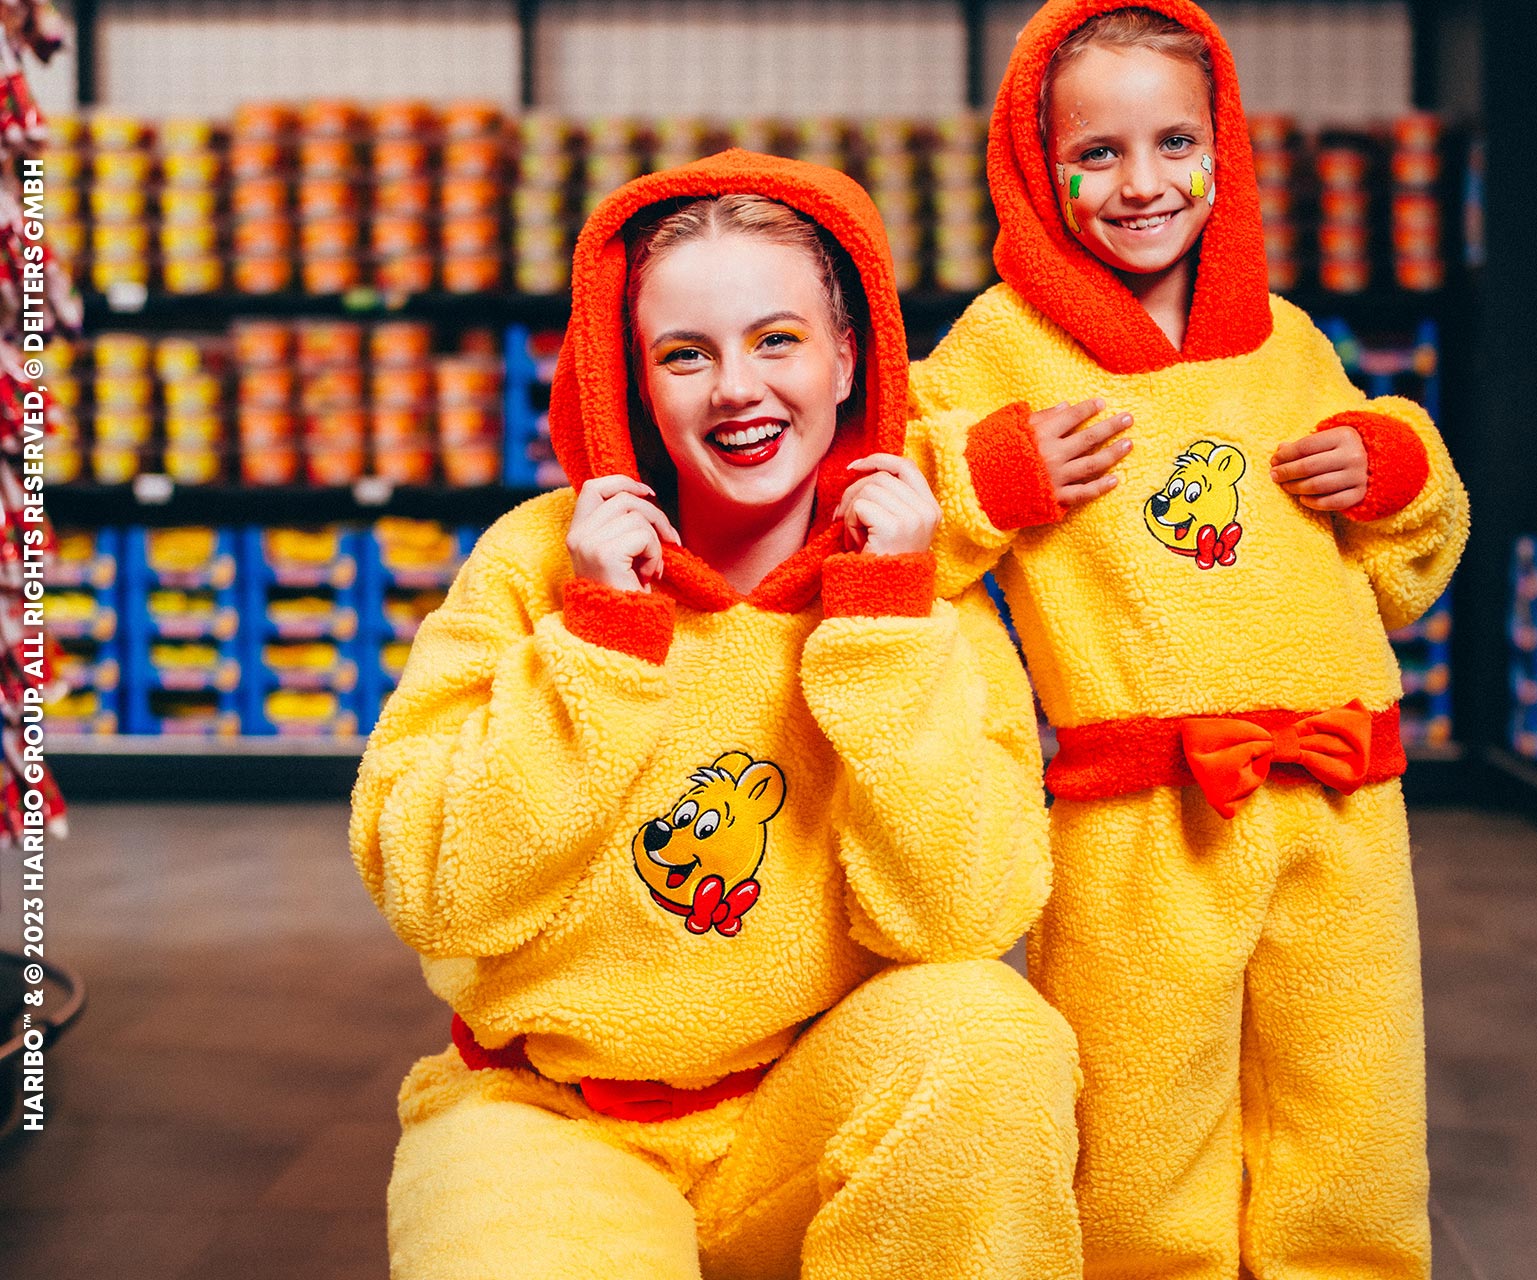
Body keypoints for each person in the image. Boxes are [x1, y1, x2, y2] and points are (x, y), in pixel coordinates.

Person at [350, 152, 1081, 1280]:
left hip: (800, 1110)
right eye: (684, 355)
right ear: (632, 383)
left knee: (989, 1028)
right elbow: (433, 886)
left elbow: (960, 915)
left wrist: (883, 623)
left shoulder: (915, 594)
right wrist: (600, 639)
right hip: (547, 1115)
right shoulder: (535, 565)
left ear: (851, 356)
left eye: (776, 338)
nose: (736, 386)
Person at [905, 1, 1471, 1275]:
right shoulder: (1006, 341)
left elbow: (1402, 575)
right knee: (1141, 1106)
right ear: (1032, 169)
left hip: (1344, 790)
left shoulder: (1288, 339)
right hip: (1144, 810)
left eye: (1175, 141)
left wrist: (1394, 465)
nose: (1142, 182)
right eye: (1095, 154)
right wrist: (993, 469)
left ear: (1227, 147)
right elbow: (885, 507)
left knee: (1355, 1090)